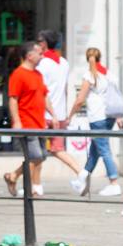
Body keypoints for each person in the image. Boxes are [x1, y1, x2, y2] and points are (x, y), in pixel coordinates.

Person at [68, 47, 123, 197]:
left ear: (88, 59)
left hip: (97, 117)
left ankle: (114, 183)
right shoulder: (108, 74)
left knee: (104, 149)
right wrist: (119, 116)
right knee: (95, 150)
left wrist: (69, 116)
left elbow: (80, 100)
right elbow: (116, 96)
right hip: (109, 117)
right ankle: (83, 179)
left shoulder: (89, 75)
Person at [35, 30, 85, 180]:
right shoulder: (64, 62)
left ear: (44, 44)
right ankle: (80, 172)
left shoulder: (41, 64)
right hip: (60, 114)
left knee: (35, 153)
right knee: (56, 150)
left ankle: (34, 187)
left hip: (43, 114)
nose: (37, 44)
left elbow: (40, 91)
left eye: (39, 41)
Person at [3, 41, 47, 197]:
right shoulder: (18, 74)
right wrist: (17, 121)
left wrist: (53, 115)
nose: (42, 56)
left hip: (40, 123)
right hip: (27, 123)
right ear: (29, 56)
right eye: (39, 53)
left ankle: (13, 176)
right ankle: (30, 190)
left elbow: (44, 96)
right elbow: (13, 99)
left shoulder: (38, 74)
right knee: (34, 157)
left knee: (41, 157)